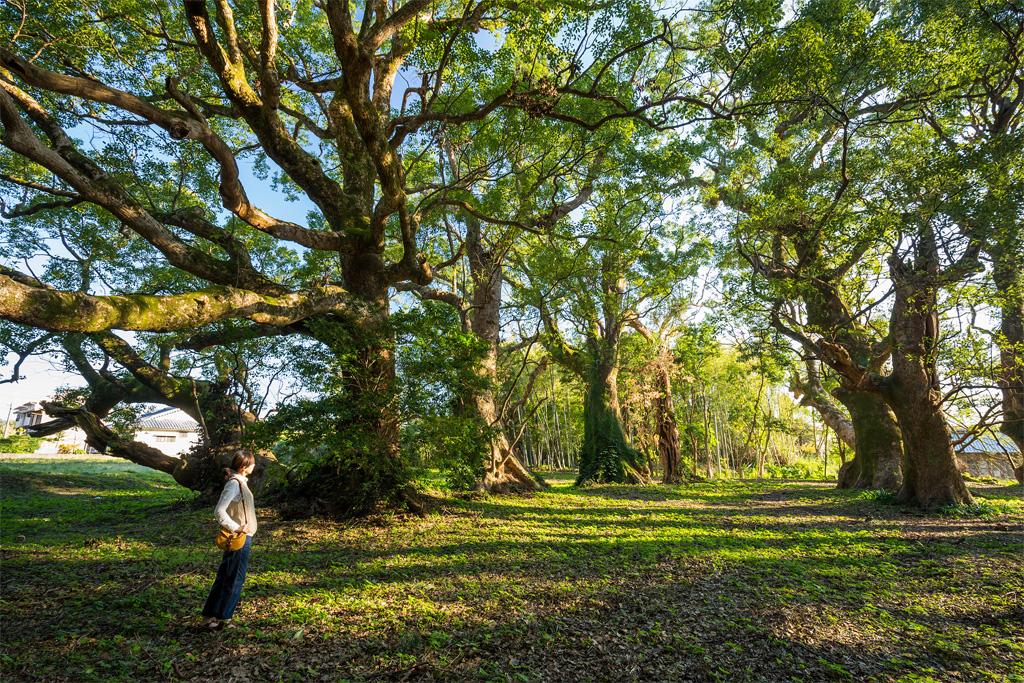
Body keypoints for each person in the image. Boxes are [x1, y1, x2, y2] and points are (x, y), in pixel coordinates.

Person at [201, 451, 257, 630]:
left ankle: (211, 616)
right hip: (239, 537)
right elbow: (219, 511)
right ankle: (223, 617)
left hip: (243, 537)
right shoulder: (234, 484)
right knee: (234, 578)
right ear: (243, 466)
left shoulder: (240, 483)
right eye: (252, 463)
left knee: (226, 576)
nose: (254, 466)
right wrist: (236, 527)